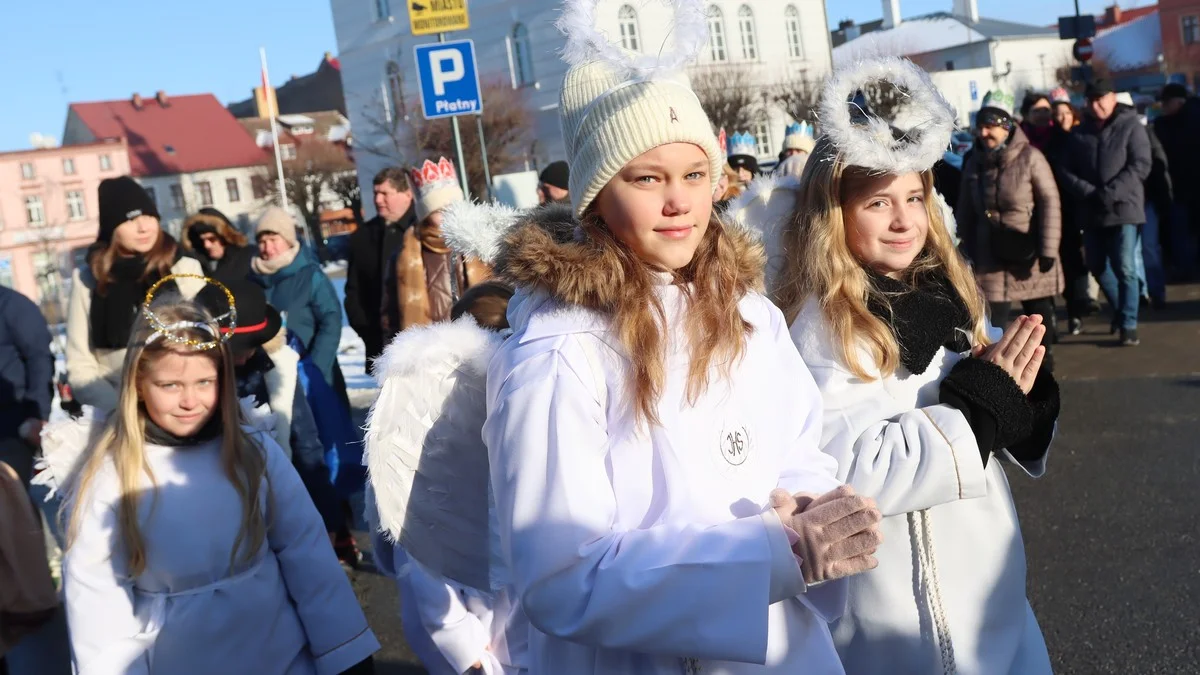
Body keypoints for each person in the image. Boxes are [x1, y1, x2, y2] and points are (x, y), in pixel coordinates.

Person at [481, 3, 883, 672]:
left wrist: (815, 505)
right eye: (648, 178)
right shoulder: (562, 348)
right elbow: (560, 576)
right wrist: (774, 551)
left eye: (695, 174)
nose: (681, 203)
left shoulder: (751, 316)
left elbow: (796, 449)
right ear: (597, 195)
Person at [767, 56, 1057, 675]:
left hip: (988, 593)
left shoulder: (949, 294)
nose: (904, 221)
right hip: (899, 616)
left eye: (914, 197)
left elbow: (993, 430)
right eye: (878, 202)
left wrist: (1023, 396)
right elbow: (841, 475)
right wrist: (977, 408)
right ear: (834, 215)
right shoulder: (824, 326)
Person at [48, 293, 379, 674]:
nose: (190, 400)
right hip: (178, 658)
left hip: (276, 652)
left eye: (204, 381)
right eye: (170, 385)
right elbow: (98, 596)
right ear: (139, 383)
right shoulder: (114, 475)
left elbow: (305, 551)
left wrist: (344, 648)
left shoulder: (253, 453)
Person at [364, 275, 520, 675]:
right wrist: (468, 655)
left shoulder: (521, 415)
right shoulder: (427, 436)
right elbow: (422, 557)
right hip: (472, 648)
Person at [196, 279, 354, 559]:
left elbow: (306, 443)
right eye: (235, 348)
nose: (245, 355)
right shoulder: (194, 380)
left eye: (252, 345)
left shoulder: (276, 366)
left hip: (277, 505)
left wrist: (328, 519)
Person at [66, 176, 205, 411]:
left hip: (184, 405)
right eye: (131, 220)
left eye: (149, 216)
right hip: (118, 405)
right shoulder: (89, 279)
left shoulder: (184, 269)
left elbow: (206, 342)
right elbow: (80, 364)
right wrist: (119, 410)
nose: (143, 227)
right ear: (112, 228)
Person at [957, 89, 1062, 371]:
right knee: (991, 324)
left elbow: (1050, 201)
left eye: (990, 125)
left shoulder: (1031, 157)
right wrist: (961, 250)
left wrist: (1048, 249)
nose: (984, 132)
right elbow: (965, 209)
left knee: (1038, 318)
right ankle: (996, 377)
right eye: (980, 125)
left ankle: (1043, 366)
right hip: (988, 254)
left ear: (1006, 127)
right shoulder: (974, 162)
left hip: (1027, 251)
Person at [1056, 77, 1151, 346]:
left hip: (1124, 208)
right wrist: (1088, 192)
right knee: (1097, 265)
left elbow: (1140, 164)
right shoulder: (1080, 132)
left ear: (1113, 98)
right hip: (1091, 210)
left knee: (1125, 267)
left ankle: (1128, 323)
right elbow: (1065, 170)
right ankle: (1121, 310)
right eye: (1091, 100)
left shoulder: (1131, 125)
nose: (1096, 105)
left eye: (1101, 99)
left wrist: (1110, 193)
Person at [382, 157, 490, 332]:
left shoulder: (479, 244)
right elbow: (390, 314)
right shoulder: (404, 254)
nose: (447, 212)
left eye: (452, 205)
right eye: (439, 209)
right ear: (425, 213)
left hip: (481, 343)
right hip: (430, 349)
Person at [250, 206, 347, 397]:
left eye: (273, 240)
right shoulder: (253, 280)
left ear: (288, 240)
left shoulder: (310, 274)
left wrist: (315, 368)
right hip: (270, 379)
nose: (268, 248)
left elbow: (331, 319)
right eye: (262, 241)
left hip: (313, 375)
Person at [345, 167, 416, 363]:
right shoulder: (362, 237)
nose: (377, 200)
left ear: (407, 194)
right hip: (380, 348)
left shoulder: (424, 231)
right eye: (376, 193)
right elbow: (354, 293)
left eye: (385, 193)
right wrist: (368, 333)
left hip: (424, 345)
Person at [1045, 88, 1096, 334]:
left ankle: (1086, 299)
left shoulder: (1082, 136)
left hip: (1085, 205)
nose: (1063, 117)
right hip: (1062, 210)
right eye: (1059, 113)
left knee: (1091, 258)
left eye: (1067, 112)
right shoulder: (1051, 141)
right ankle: (1075, 309)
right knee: (1070, 260)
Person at [0, 286, 53, 489]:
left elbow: (40, 358)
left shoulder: (12, 304)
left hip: (10, 428)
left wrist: (36, 414)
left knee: (11, 505)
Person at [1153, 82, 1200, 279]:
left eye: (1165, 103)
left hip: (1180, 188)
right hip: (1185, 188)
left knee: (1181, 232)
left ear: (1177, 102)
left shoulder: (1173, 125)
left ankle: (1186, 269)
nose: (1162, 107)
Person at [182, 208, 254, 283]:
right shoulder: (198, 266)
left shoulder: (249, 257)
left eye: (212, 239)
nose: (207, 245)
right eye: (201, 241)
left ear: (225, 237)